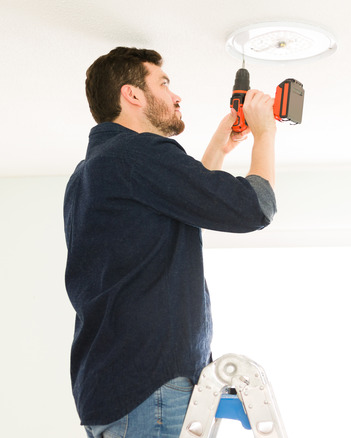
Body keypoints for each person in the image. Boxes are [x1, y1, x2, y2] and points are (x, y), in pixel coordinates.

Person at [63, 47, 278, 438]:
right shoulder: (138, 152)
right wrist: (265, 133)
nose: (176, 96)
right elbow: (252, 209)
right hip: (151, 389)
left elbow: (179, 206)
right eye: (163, 83)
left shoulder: (92, 171)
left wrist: (218, 149)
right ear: (132, 95)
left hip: (115, 390)